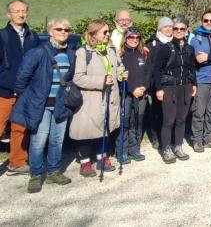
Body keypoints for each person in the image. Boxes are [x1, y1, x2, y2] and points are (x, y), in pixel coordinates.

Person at [12, 19, 76, 192]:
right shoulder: (38, 52)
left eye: (66, 29)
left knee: (57, 140)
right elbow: (22, 78)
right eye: (59, 29)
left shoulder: (71, 53)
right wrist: (30, 98)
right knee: (38, 141)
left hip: (61, 105)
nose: (63, 32)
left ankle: (54, 171)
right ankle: (36, 174)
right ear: (50, 31)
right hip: (40, 105)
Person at [70, 20, 124, 176]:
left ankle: (102, 157)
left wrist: (121, 74)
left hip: (110, 96)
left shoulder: (111, 49)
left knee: (106, 127)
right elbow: (78, 78)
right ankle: (85, 162)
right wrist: (100, 81)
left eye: (108, 32)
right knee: (87, 130)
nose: (108, 35)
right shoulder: (83, 52)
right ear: (93, 34)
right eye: (104, 32)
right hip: (91, 99)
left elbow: (118, 66)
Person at [0, 0, 38, 175]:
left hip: (25, 92)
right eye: (17, 11)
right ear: (9, 15)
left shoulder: (32, 36)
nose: (21, 14)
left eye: (24, 11)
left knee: (19, 127)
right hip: (4, 91)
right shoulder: (2, 36)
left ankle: (17, 163)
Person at [152, 17, 197, 164]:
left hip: (186, 87)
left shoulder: (190, 49)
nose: (178, 31)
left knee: (181, 119)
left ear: (186, 31)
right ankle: (166, 148)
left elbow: (192, 68)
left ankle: (178, 146)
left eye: (181, 29)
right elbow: (156, 70)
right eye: (175, 29)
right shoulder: (165, 48)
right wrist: (159, 89)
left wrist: (194, 84)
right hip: (169, 87)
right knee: (169, 120)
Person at [189, 11, 211, 153]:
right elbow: (199, 59)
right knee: (199, 111)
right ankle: (197, 140)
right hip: (201, 80)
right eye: (206, 20)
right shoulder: (195, 38)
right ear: (201, 21)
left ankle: (209, 137)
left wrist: (209, 56)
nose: (209, 23)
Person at [119, 29, 152, 163]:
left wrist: (144, 87)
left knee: (137, 122)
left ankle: (134, 149)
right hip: (126, 94)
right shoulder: (120, 55)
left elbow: (149, 73)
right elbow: (120, 76)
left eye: (137, 37)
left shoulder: (143, 54)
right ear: (125, 38)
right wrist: (132, 89)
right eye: (131, 37)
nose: (134, 40)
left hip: (142, 94)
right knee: (125, 123)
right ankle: (122, 151)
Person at [144, 17, 173, 150]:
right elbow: (150, 65)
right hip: (157, 83)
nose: (168, 29)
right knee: (157, 111)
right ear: (159, 29)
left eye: (170, 27)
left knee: (169, 112)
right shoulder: (151, 44)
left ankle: (168, 136)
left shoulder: (174, 42)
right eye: (165, 27)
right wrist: (154, 85)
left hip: (171, 83)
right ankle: (156, 137)